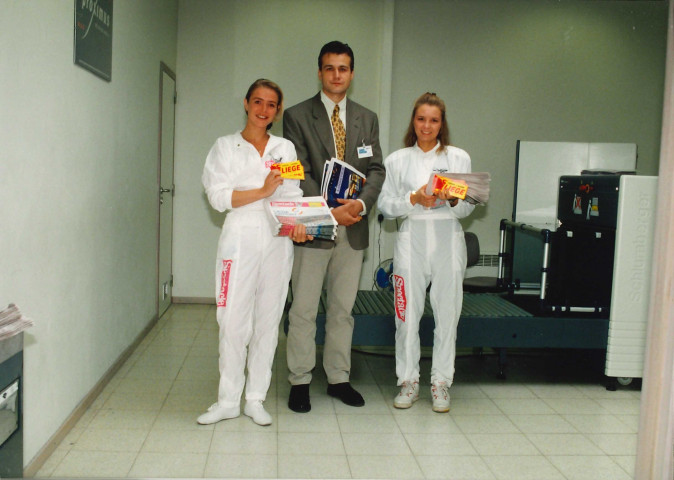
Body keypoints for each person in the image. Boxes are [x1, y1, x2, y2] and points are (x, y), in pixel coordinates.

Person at [198, 79, 311, 427]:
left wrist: (300, 224)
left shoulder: (285, 148)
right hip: (239, 237)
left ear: (277, 110)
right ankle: (228, 400)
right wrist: (261, 190)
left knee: (268, 318)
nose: (264, 110)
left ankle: (255, 398)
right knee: (232, 320)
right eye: (258, 102)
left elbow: (291, 194)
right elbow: (218, 198)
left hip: (277, 238)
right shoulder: (224, 147)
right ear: (246, 103)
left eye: (271, 104)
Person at [283, 41, 385, 412]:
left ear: (352, 73)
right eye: (329, 68)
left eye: (343, 68)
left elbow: (376, 169)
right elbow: (300, 171)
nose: (336, 74)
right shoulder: (296, 116)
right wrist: (330, 211)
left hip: (354, 227)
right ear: (320, 71)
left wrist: (358, 204)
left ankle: (339, 378)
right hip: (314, 228)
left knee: (343, 310)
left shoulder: (366, 118)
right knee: (304, 309)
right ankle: (300, 380)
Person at [377, 92, 475, 413]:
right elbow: (386, 206)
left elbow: (466, 210)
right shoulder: (396, 160)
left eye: (434, 120)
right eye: (421, 119)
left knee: (448, 314)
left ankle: (441, 382)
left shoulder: (459, 158)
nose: (427, 126)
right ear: (413, 121)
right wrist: (414, 199)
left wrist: (453, 199)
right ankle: (408, 381)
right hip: (412, 240)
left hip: (448, 239)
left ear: (442, 123)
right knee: (407, 315)